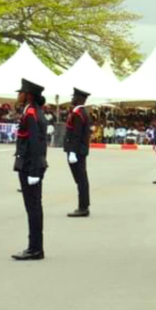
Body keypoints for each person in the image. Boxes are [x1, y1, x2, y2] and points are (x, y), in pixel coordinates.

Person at [12, 79, 49, 261]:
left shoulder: (32, 114)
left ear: (28, 95)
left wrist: (34, 171)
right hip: (29, 164)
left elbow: (36, 143)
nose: (18, 95)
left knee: (33, 207)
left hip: (30, 166)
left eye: (21, 92)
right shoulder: (31, 112)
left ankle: (35, 248)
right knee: (33, 207)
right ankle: (35, 246)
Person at [64, 87, 93, 218]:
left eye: (74, 97)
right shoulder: (79, 112)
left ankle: (83, 207)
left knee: (81, 179)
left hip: (77, 151)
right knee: (81, 179)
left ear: (80, 99)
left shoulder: (78, 113)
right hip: (79, 150)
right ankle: (84, 205)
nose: (72, 99)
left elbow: (76, 134)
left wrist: (73, 152)